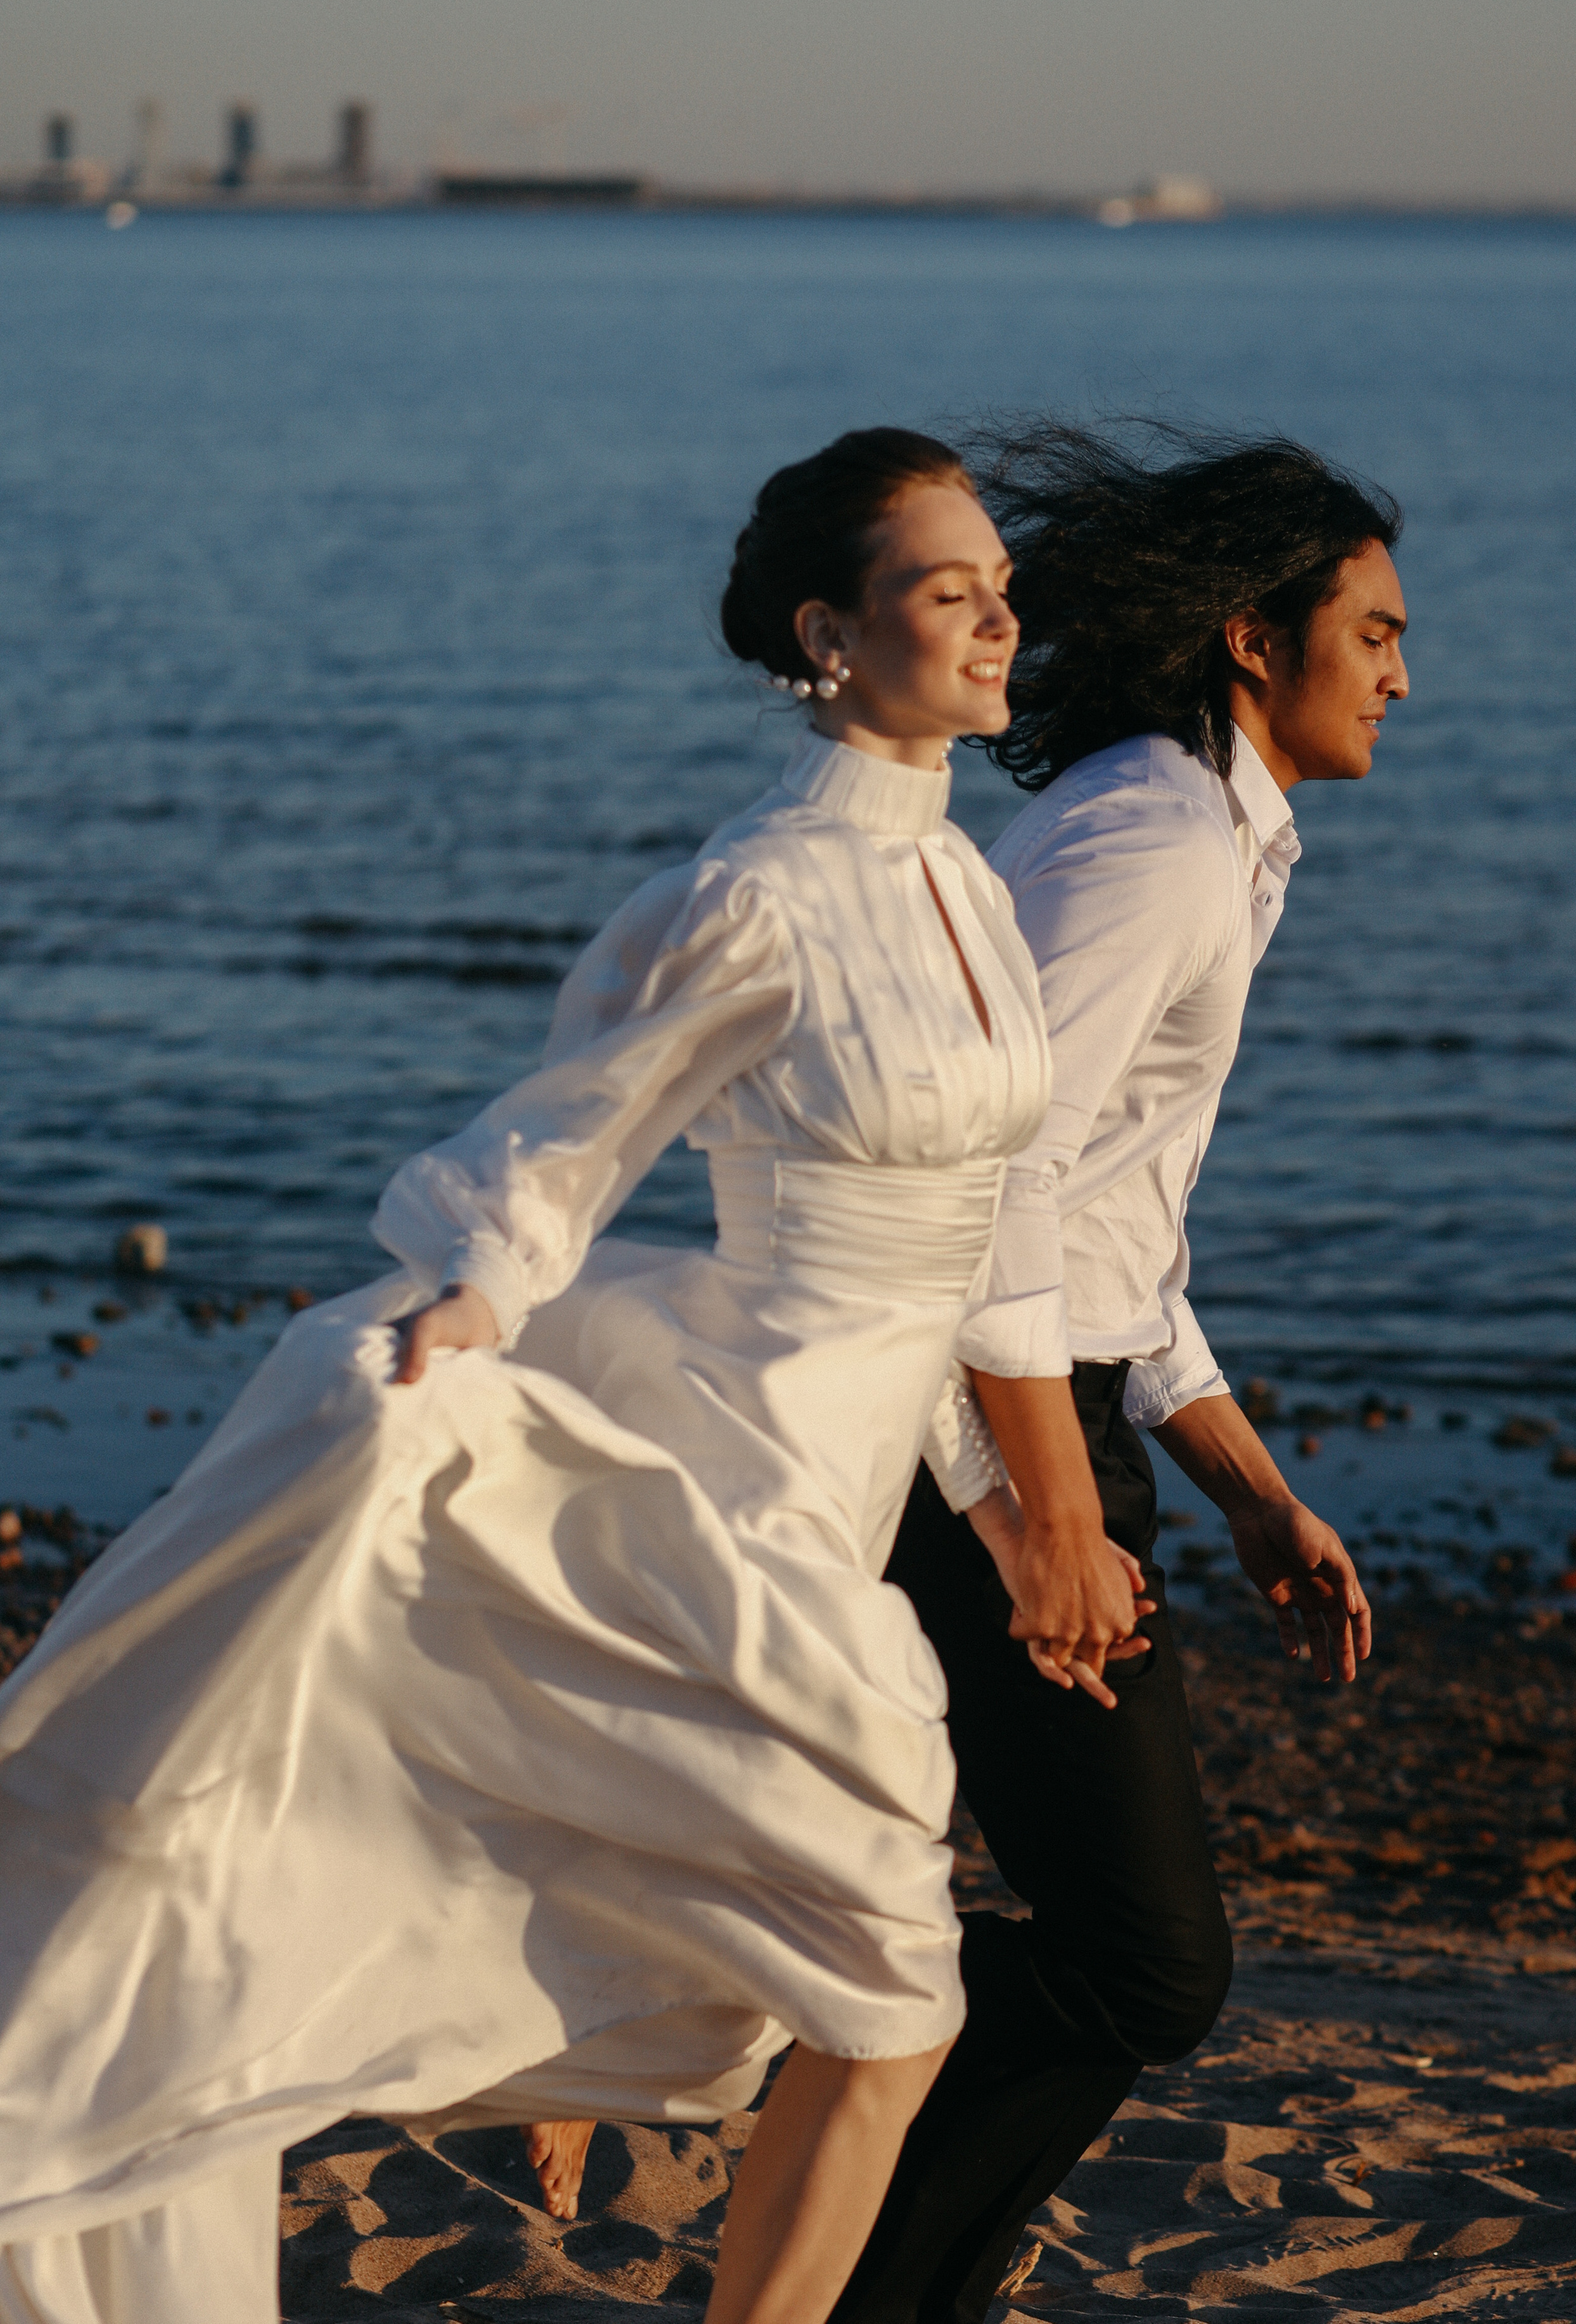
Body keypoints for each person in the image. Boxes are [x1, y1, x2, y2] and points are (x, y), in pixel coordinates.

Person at [0, 429, 1095, 2324]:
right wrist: (474, 1294)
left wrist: (999, 1511)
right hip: (734, 1487)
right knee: (893, 1987)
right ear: (830, 635)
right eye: (950, 592)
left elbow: (957, 1257)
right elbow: (577, 1131)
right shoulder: (757, 894)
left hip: (852, 1495)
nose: (1001, 621)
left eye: (1004, 589)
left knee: (852, 1988)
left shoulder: (972, 889)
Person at [832, 426, 1406, 2324]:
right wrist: (1049, 1520)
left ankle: (871, 2231)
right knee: (1145, 1961)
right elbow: (989, 1186)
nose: (1403, 677)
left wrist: (1255, 1493)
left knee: (1109, 1948)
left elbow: (1117, 1234)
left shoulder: (1205, 839)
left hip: (1047, 1420)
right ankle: (819, 2129)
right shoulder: (1156, 844)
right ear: (1254, 637)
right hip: (985, 1442)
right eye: (1376, 633)